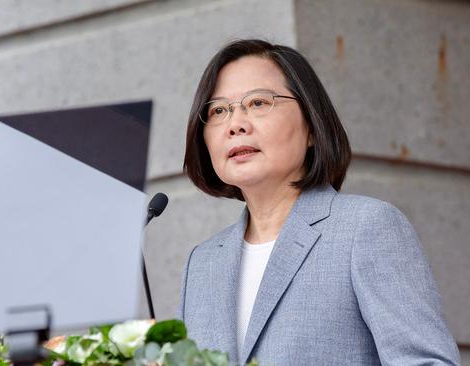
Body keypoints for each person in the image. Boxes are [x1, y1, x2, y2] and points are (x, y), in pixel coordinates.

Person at [178, 39, 460, 365]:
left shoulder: (365, 228)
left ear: (311, 126)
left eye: (257, 103)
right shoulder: (202, 264)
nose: (235, 124)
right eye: (218, 111)